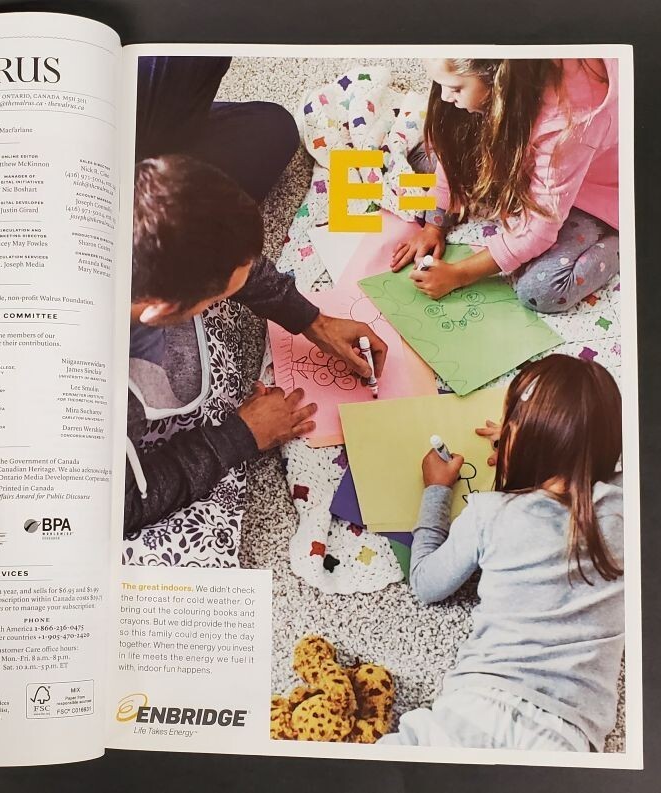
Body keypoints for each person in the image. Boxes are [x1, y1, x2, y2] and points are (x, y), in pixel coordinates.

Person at [126, 154, 387, 535]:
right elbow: (122, 506)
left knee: (272, 133)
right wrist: (240, 435)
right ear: (161, 310)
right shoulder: (109, 396)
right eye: (217, 299)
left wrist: (314, 321)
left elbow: (229, 260)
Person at [380, 354, 624, 751]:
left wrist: (436, 491)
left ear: (520, 437)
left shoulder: (490, 513)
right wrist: (535, 441)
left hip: (480, 703)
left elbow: (426, 583)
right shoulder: (627, 508)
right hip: (568, 736)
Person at [391, 59, 619, 313]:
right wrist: (434, 226)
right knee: (423, 159)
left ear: (497, 78)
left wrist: (460, 274)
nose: (444, 97)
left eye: (455, 89)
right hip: (531, 166)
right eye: (440, 85)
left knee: (540, 291)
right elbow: (454, 145)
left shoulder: (569, 124)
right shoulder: (499, 84)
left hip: (595, 194)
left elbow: (538, 231)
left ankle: (625, 239)